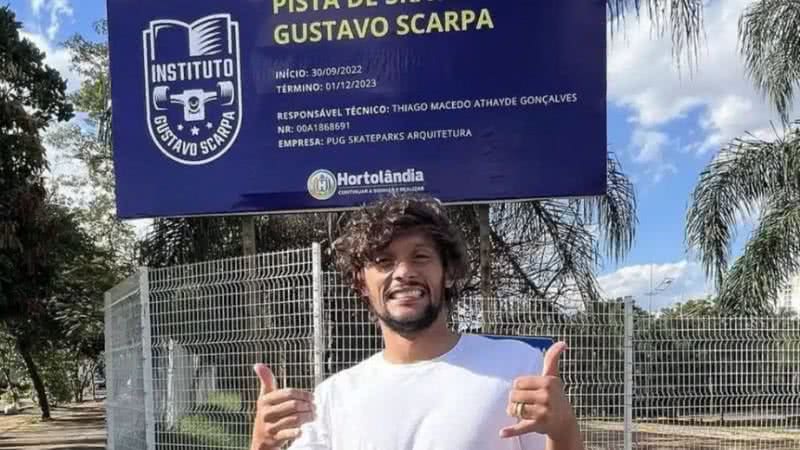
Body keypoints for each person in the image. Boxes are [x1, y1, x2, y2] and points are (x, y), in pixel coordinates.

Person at [250, 194, 585, 450]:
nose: (403, 272)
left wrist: (563, 430)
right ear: (361, 285)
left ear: (449, 273)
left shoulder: (516, 367)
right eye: (383, 261)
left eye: (420, 256)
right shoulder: (332, 398)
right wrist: (261, 445)